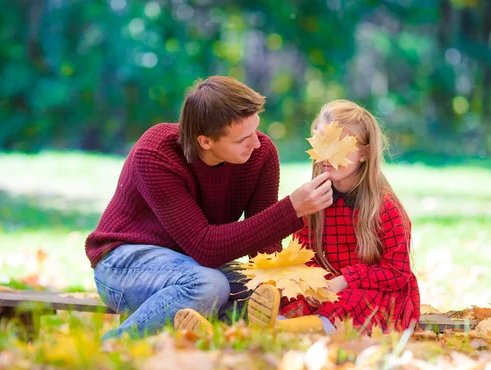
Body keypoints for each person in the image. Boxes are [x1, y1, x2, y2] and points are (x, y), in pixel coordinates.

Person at [85, 76, 334, 339]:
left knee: (262, 289)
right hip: (124, 262)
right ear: (205, 141)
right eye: (243, 139)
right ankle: (116, 345)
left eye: (256, 130)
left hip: (191, 264)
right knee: (208, 285)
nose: (257, 143)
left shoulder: (260, 154)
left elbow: (263, 246)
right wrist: (291, 209)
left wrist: (276, 280)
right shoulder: (156, 154)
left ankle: (215, 343)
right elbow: (205, 247)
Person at [175, 99, 421, 335]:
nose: (327, 155)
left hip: (375, 293)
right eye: (321, 143)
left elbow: (397, 273)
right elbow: (305, 254)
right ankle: (229, 332)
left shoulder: (384, 207)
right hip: (325, 289)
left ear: (365, 153)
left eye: (339, 145)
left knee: (351, 302)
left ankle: (271, 332)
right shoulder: (315, 201)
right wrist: (312, 284)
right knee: (286, 299)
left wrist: (345, 280)